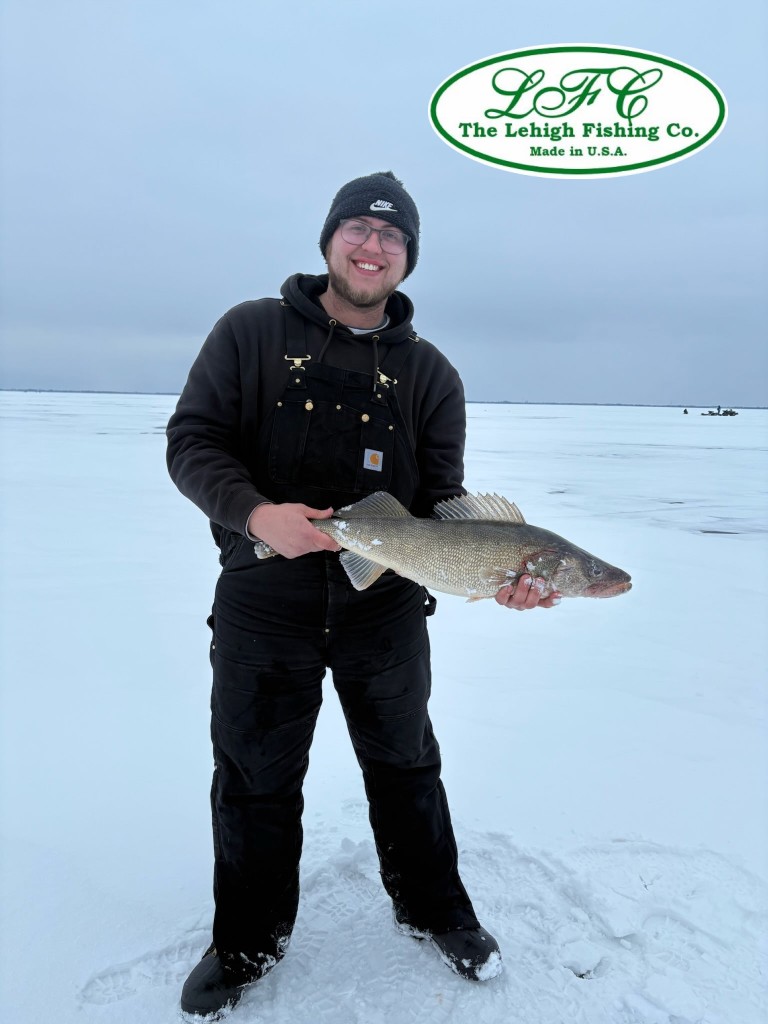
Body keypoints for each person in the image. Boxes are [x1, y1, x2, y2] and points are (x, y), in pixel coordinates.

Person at [166, 171, 559, 1018]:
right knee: (254, 774)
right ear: (329, 241)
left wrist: (498, 577)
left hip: (383, 608)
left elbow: (445, 505)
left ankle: (433, 910)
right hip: (262, 598)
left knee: (406, 764)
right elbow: (193, 443)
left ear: (408, 259)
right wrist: (257, 513)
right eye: (358, 230)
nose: (373, 247)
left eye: (392, 238)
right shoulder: (250, 333)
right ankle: (247, 942)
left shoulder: (431, 376)